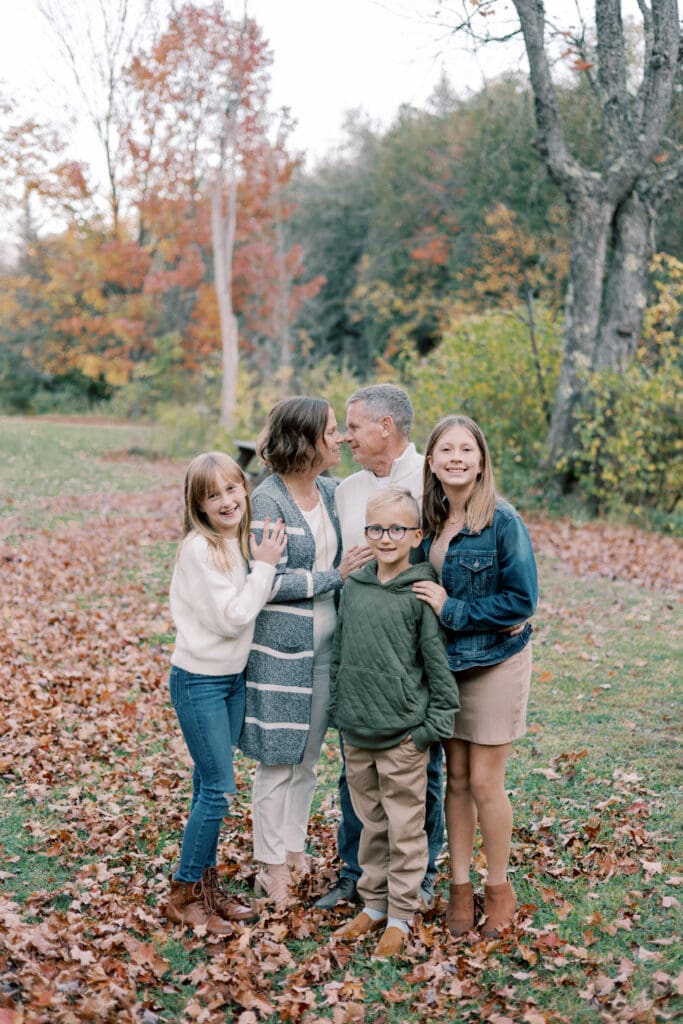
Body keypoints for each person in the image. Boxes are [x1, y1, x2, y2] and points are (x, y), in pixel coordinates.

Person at [315, 383, 445, 911]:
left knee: (422, 775)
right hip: (362, 647)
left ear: (386, 427)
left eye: (354, 426)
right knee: (358, 778)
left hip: (416, 640)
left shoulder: (432, 479)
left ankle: (420, 880)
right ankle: (358, 875)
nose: (346, 437)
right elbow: (341, 565)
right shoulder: (345, 491)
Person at [239, 397, 368, 907]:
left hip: (326, 650)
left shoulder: (334, 494)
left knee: (309, 758)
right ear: (305, 439)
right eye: (331, 431)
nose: (338, 439)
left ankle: (293, 850)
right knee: (278, 760)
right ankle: (269, 867)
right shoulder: (266, 500)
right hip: (279, 653)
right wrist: (335, 576)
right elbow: (264, 581)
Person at [413, 415, 538, 938]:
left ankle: (499, 887)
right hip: (446, 666)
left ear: (482, 460)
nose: (457, 457)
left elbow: (521, 600)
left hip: (494, 661)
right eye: (446, 449)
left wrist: (452, 608)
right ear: (432, 461)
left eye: (467, 449)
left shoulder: (503, 521)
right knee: (456, 781)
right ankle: (459, 888)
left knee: (486, 782)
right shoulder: (429, 517)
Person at [328, 488, 459, 958]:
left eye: (397, 529)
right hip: (357, 732)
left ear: (416, 536)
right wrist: (339, 713)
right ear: (366, 531)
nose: (386, 538)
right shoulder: (355, 587)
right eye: (377, 528)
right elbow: (341, 653)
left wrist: (428, 730)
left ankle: (402, 914)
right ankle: (375, 903)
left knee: (405, 828)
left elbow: (437, 667)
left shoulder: (419, 595)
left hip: (402, 735)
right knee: (371, 824)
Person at [165, 452, 287, 936]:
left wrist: (259, 562)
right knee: (217, 790)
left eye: (233, 489)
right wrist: (266, 567)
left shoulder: (235, 541)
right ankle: (183, 891)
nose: (227, 500)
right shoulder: (199, 549)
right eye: (213, 495)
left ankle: (208, 888)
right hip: (198, 682)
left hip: (232, 680)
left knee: (206, 784)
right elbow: (232, 616)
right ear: (198, 504)